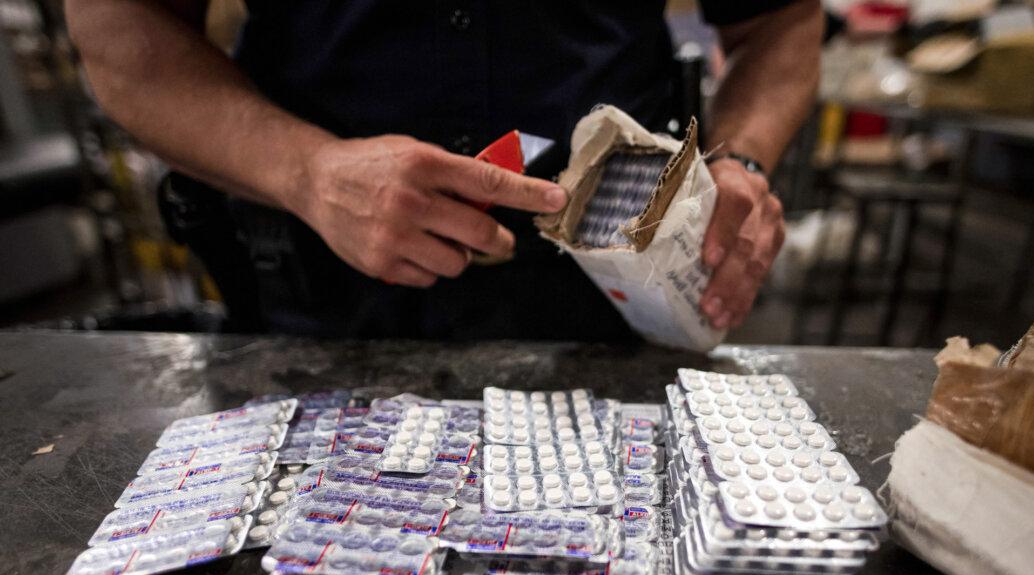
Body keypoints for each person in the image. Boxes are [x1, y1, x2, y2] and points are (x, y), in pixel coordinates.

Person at [66, 0, 822, 340]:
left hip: (616, 288)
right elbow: (121, 30)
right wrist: (307, 171)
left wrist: (742, 157)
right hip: (321, 301)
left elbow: (779, 20)